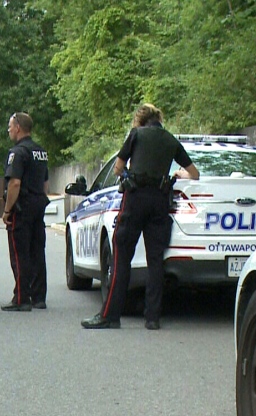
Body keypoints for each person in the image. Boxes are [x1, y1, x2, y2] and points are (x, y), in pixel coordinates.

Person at [81, 103, 199, 330]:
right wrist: (178, 173)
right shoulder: (171, 140)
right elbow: (194, 173)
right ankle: (152, 317)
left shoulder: (135, 135)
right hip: (160, 202)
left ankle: (110, 315)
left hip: (135, 200)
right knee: (155, 260)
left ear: (140, 120)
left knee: (121, 254)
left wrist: (129, 173)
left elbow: (117, 168)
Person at [1, 112, 50, 312]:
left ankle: (21, 297)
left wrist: (7, 210)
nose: (9, 130)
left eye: (10, 126)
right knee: (37, 250)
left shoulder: (18, 152)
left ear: (18, 128)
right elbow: (45, 181)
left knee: (19, 252)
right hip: (38, 203)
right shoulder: (41, 151)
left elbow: (14, 183)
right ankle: (39, 297)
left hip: (22, 205)